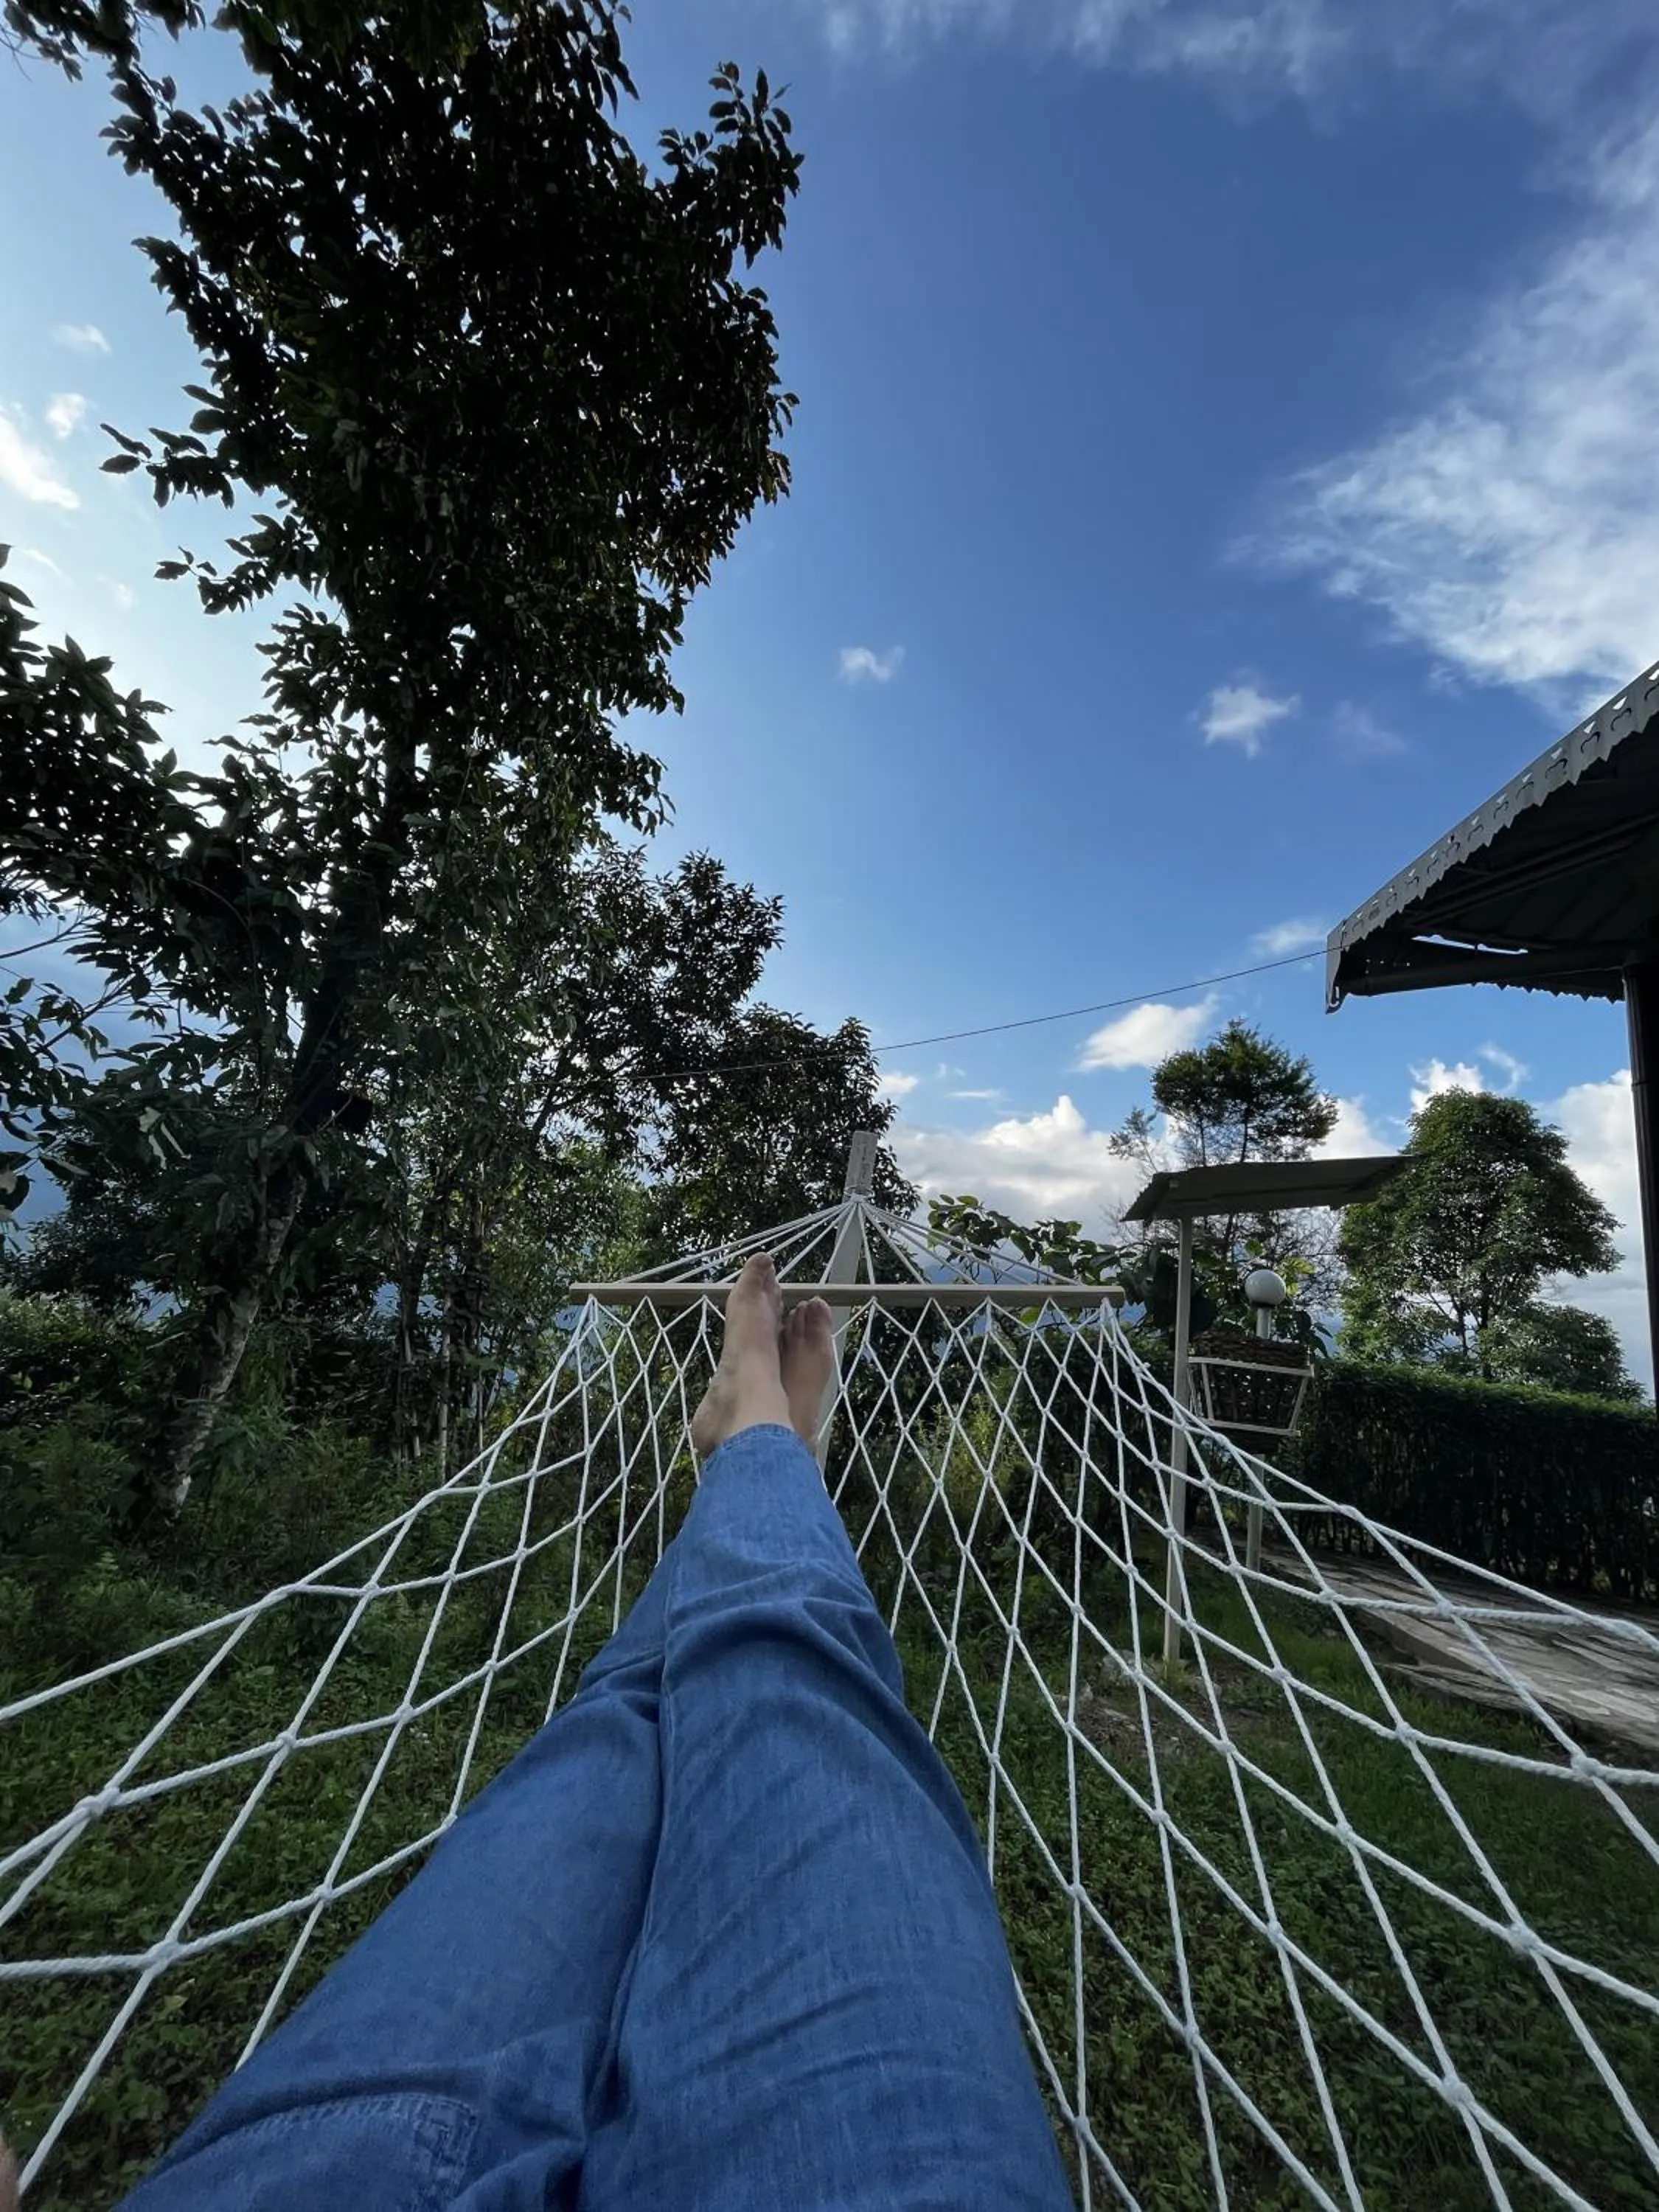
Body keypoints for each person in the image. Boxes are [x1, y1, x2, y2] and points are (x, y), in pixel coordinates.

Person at [97, 1253, 1074, 2211]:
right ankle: (769, 1453)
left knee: (629, 1711)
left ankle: (764, 1445)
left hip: (339, 2167)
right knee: (777, 1676)